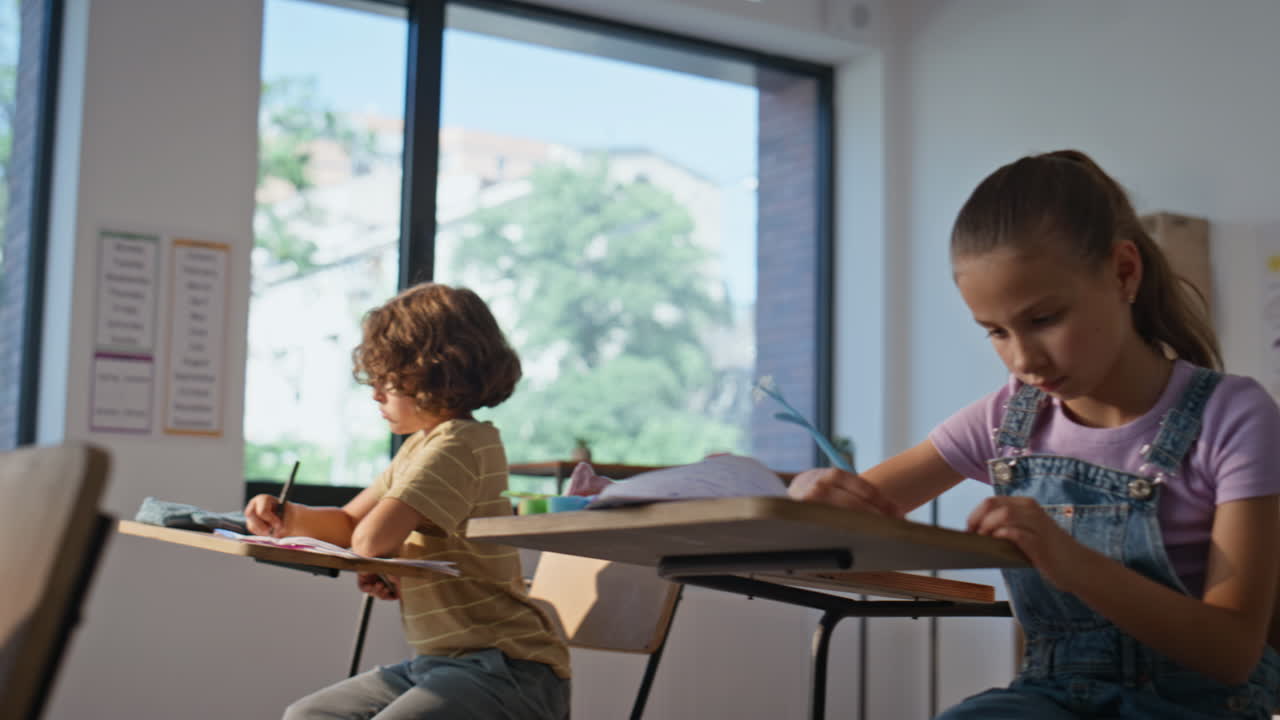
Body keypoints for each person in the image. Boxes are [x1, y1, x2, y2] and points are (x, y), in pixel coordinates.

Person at [789, 150, 1280, 718]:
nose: (1023, 359)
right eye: (995, 331)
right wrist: (809, 497)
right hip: (1047, 700)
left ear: (1125, 273)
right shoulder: (1006, 419)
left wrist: (1072, 562)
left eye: (1045, 319)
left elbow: (1232, 653)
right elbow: (852, 516)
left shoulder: (1235, 416)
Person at [243, 282, 570, 720]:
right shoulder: (420, 446)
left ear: (440, 373)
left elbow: (370, 539)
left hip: (507, 669)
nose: (376, 392)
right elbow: (347, 523)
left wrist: (383, 554)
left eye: (389, 379)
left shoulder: (460, 444)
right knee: (308, 716)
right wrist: (285, 516)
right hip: (441, 664)